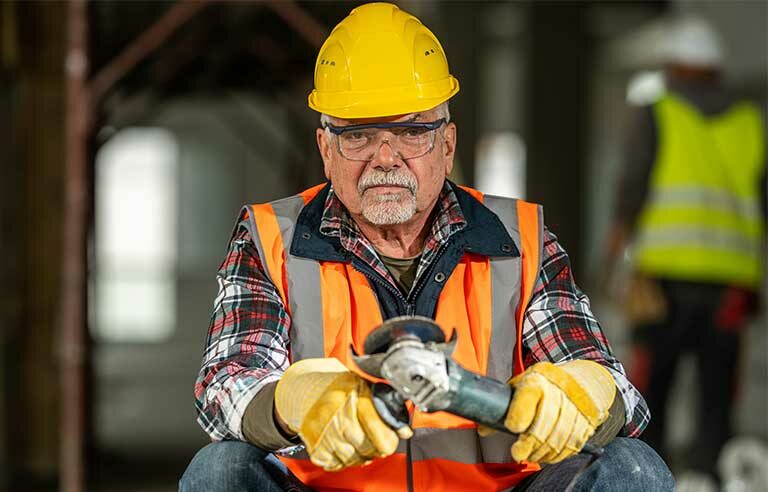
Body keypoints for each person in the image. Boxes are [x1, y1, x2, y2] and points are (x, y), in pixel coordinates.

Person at [181, 3, 672, 491]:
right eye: (358, 135)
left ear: (447, 144)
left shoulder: (519, 239)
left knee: (632, 467)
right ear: (326, 149)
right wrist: (292, 401)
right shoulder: (271, 239)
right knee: (220, 472)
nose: (386, 157)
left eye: (412, 131)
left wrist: (581, 392)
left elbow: (617, 391)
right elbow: (224, 386)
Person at [606, 15, 766, 488]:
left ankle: (646, 477)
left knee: (654, 385)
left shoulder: (659, 111)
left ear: (676, 66)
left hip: (665, 277)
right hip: (730, 281)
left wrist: (611, 261)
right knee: (719, 391)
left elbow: (631, 190)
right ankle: (715, 476)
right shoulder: (750, 122)